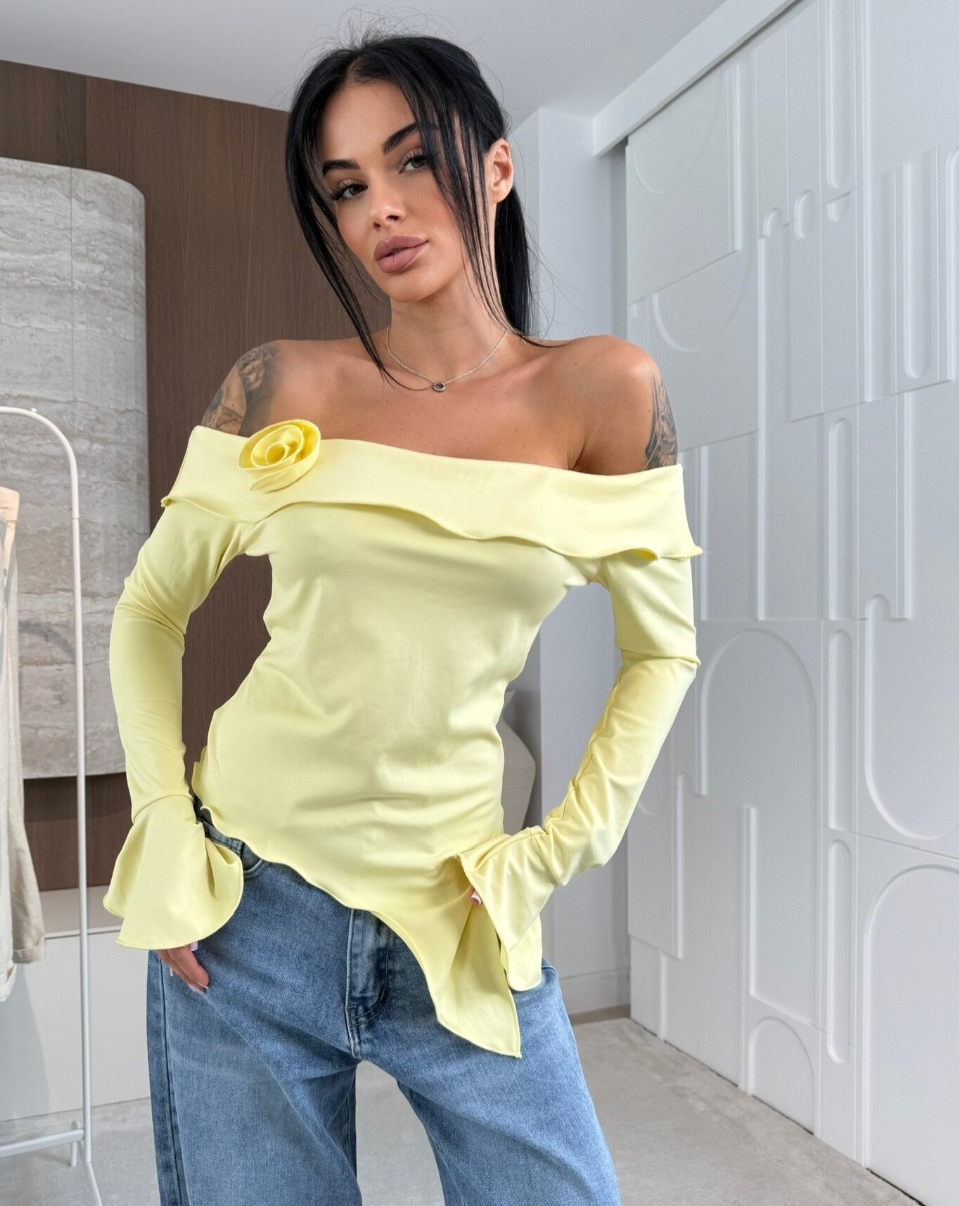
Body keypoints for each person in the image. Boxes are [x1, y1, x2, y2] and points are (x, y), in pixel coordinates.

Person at [102, 24, 701, 1206]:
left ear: (496, 168)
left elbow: (661, 649)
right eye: (347, 186)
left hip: (462, 908)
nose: (382, 206)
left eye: (414, 159)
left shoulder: (605, 391)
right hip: (246, 904)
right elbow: (151, 606)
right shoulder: (281, 383)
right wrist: (165, 824)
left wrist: (558, 848)